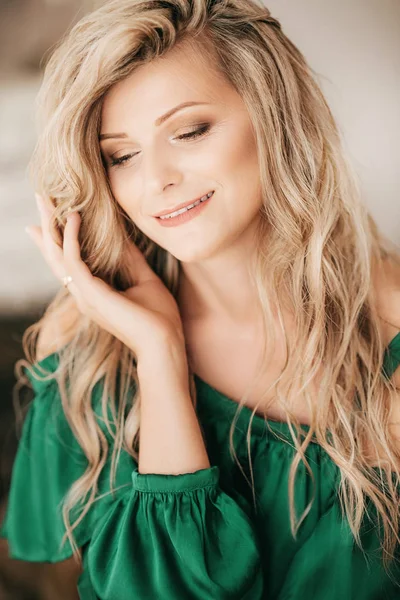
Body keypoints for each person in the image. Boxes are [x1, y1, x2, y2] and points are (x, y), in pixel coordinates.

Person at [2, 0, 400, 597]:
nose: (154, 179)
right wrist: (158, 353)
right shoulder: (86, 360)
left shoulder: (388, 333)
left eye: (189, 131)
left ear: (276, 118)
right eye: (122, 155)